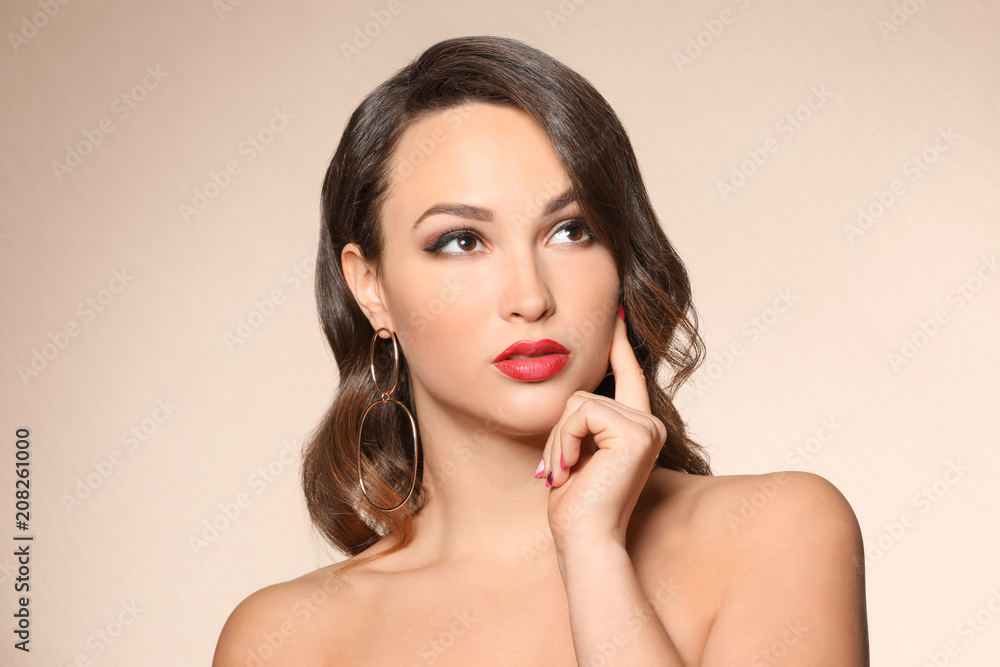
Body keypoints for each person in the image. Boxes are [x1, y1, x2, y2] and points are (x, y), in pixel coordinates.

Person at [213, 35, 869, 665]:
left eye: (570, 230)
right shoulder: (283, 638)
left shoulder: (778, 534)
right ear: (372, 287)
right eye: (462, 240)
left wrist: (592, 549)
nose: (530, 297)